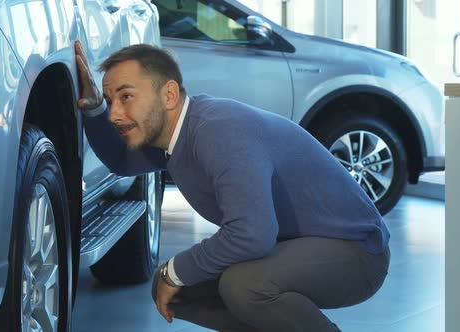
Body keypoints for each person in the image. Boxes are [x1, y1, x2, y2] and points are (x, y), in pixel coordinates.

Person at [74, 41, 390, 332]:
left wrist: (176, 269)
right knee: (184, 289)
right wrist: (93, 108)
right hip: (296, 242)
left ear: (169, 95)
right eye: (112, 100)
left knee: (243, 285)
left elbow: (252, 234)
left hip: (356, 251)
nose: (115, 113)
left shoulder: (217, 131)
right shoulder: (176, 137)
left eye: (126, 96)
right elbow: (122, 161)